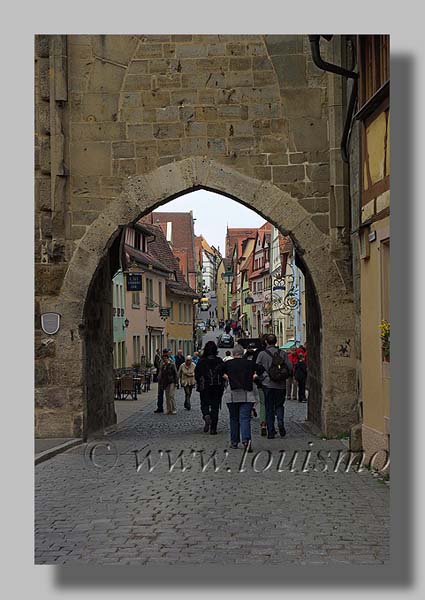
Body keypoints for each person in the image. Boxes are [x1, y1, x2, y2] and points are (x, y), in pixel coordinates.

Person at [220, 345, 264, 451]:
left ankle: (234, 441)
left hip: (232, 394)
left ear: (233, 353)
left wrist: (226, 377)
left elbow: (218, 369)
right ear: (242, 353)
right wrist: (254, 376)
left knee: (234, 418)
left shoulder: (228, 364)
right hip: (247, 394)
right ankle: (246, 441)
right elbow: (261, 369)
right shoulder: (249, 363)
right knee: (245, 419)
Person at [256, 333, 292, 439]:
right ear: (276, 342)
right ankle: (280, 421)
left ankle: (271, 431)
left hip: (267, 385)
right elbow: (289, 367)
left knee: (269, 408)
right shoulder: (283, 353)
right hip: (280, 385)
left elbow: (258, 368)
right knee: (279, 405)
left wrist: (263, 378)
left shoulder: (262, 354)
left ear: (266, 342)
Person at [194, 340, 224, 434]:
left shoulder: (201, 361)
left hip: (205, 386)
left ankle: (206, 415)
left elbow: (197, 374)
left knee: (204, 404)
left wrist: (199, 382)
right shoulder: (219, 361)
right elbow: (223, 373)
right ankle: (213, 429)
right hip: (217, 387)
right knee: (215, 407)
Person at [154, 348, 170, 413]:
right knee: (160, 394)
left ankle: (169, 408)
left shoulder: (170, 361)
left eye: (166, 352)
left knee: (168, 394)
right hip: (161, 379)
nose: (165, 354)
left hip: (167, 379)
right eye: (164, 352)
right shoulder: (160, 360)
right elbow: (158, 367)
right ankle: (160, 407)